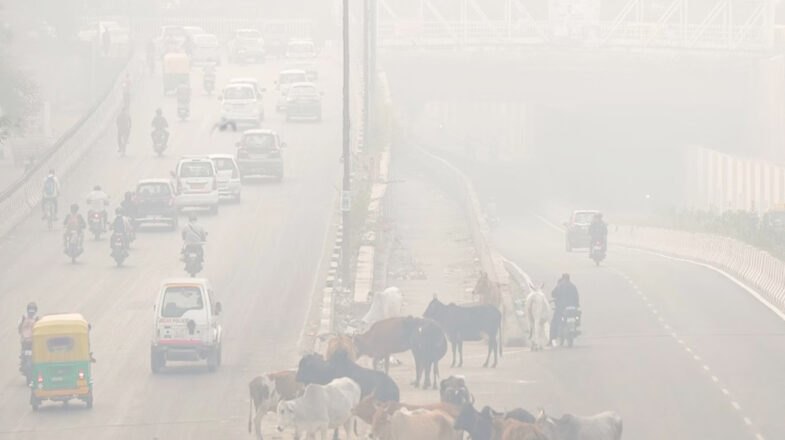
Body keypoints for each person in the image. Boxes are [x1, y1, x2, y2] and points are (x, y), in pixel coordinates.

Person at [550, 273, 580, 345]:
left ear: (563, 278)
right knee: (577, 317)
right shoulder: (573, 286)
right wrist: (576, 306)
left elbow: (553, 294)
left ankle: (551, 339)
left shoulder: (560, 286)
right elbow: (577, 298)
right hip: (573, 308)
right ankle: (575, 327)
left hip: (561, 308)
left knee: (554, 322)